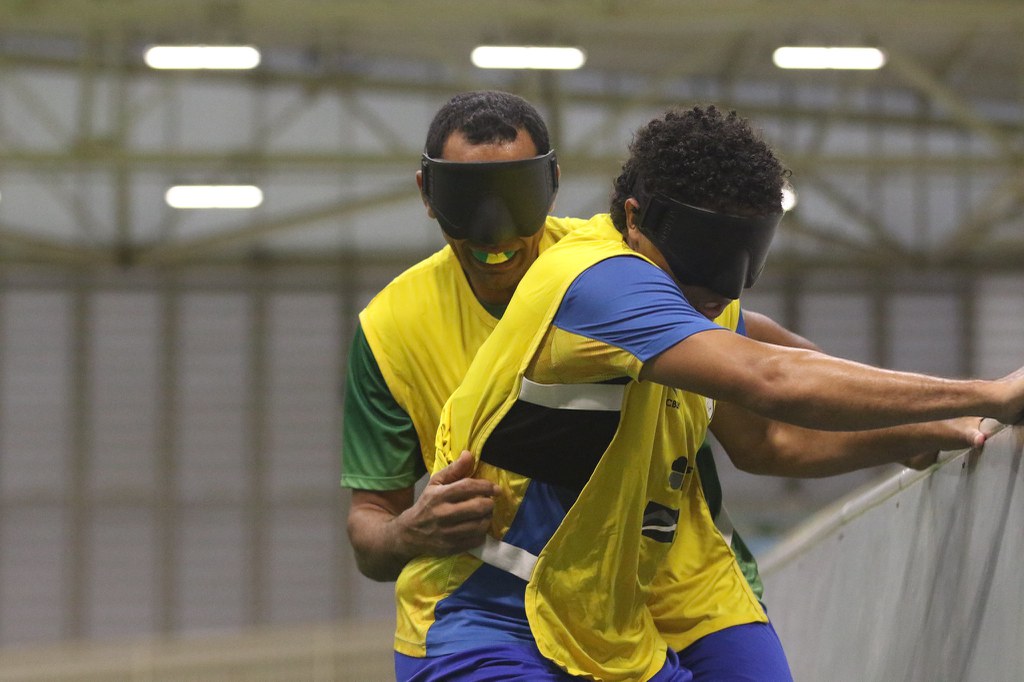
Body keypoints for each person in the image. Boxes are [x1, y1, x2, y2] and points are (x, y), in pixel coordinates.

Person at [392, 105, 1023, 681]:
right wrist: (989, 393)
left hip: (608, 615)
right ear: (636, 219)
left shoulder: (695, 288)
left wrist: (903, 433)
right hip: (483, 617)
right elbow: (773, 380)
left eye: (743, 254)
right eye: (706, 251)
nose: (723, 289)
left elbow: (766, 439)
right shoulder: (598, 283)